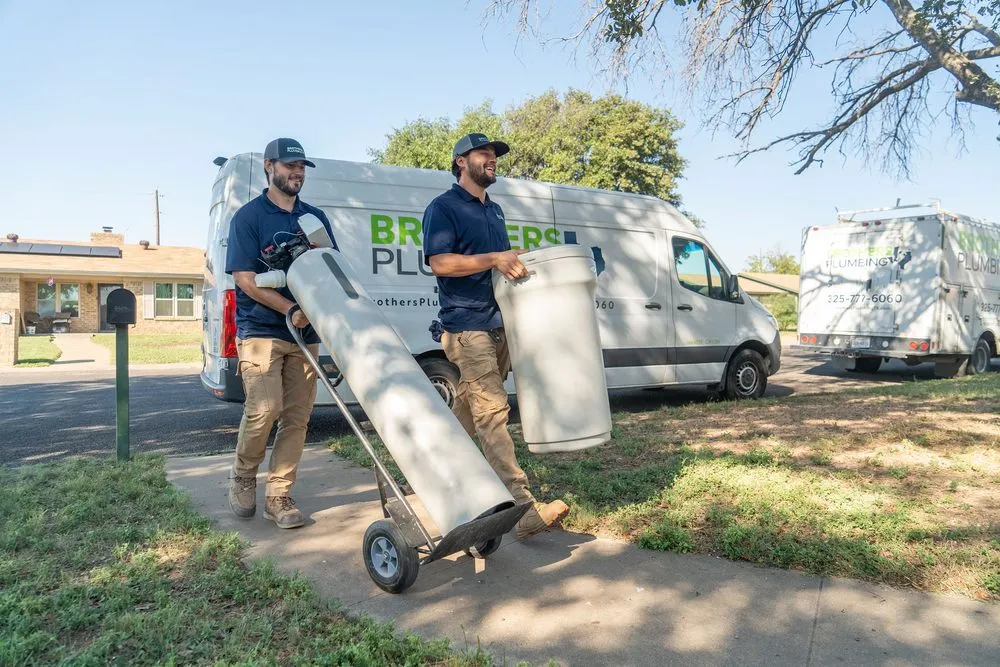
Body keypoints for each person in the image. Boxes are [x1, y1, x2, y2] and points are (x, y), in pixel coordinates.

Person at [421, 132, 570, 539]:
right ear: (460, 161)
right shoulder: (443, 208)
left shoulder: (496, 211)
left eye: (494, 154)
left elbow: (498, 269)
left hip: (500, 323)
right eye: (483, 153)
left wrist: (516, 263)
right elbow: (439, 263)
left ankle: (427, 477)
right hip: (467, 326)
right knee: (492, 414)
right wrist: (492, 259)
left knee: (470, 409)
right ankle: (522, 510)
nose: (492, 159)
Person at [224, 137, 338, 529]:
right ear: (270, 167)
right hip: (262, 329)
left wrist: (320, 311)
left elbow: (329, 269)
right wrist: (290, 308)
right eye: (290, 165)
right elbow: (245, 280)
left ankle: (278, 494)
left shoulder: (314, 219)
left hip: (305, 335)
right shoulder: (249, 217)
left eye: (302, 167)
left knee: (297, 417)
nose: (297, 173)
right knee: (264, 409)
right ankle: (242, 477)